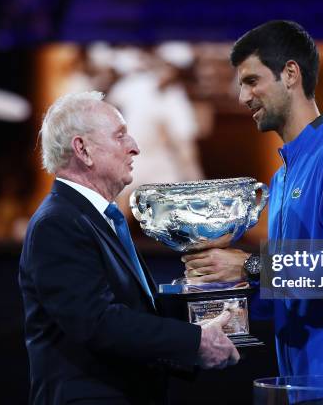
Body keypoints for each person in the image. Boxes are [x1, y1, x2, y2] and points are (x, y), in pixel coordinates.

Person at [182, 21, 323, 378]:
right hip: (302, 380)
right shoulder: (283, 178)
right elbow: (293, 291)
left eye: (252, 81)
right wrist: (222, 293)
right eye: (241, 85)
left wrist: (251, 267)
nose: (243, 98)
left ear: (290, 74)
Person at [18, 91, 239, 405]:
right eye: (120, 135)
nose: (134, 147)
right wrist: (194, 341)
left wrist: (204, 299)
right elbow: (97, 322)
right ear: (82, 149)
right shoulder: (57, 223)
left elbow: (134, 309)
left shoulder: (96, 217)